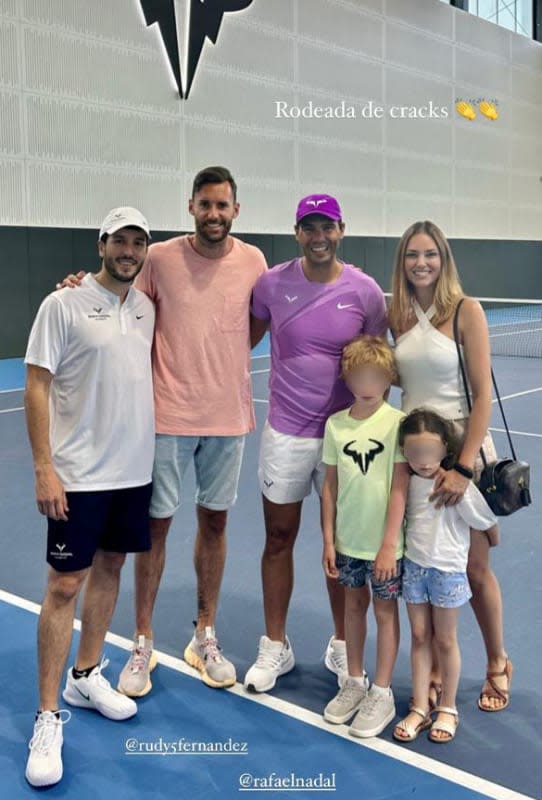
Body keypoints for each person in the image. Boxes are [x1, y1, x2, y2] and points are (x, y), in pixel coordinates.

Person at [59, 167, 267, 694]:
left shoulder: (253, 261)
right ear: (191, 207)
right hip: (167, 417)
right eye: (205, 204)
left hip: (228, 420)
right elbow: (119, 296)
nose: (214, 214)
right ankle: (143, 640)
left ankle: (204, 634)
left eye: (223, 205)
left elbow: (255, 325)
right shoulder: (161, 259)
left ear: (235, 210)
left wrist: (223, 360)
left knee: (215, 525)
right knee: (156, 530)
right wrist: (77, 289)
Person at [24, 208, 155, 787]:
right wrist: (44, 467)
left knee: (111, 568)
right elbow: (37, 383)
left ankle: (86, 673)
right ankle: (48, 715)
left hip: (133, 471)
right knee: (64, 586)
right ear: (101, 244)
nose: (129, 249)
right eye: (119, 240)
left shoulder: (147, 306)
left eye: (138, 241)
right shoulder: (63, 304)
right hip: (76, 475)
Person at [245, 195, 388, 693]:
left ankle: (343, 645)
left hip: (344, 440)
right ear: (297, 232)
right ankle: (275, 645)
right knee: (278, 538)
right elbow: (237, 337)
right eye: (309, 227)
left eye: (326, 226)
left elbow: (379, 364)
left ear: (341, 230)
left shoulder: (367, 293)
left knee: (345, 549)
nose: (318, 235)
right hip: (285, 432)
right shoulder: (270, 285)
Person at [389, 220, 512, 713]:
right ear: (403, 262)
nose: (422, 263)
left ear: (444, 259)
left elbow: (482, 395)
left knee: (474, 568)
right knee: (427, 561)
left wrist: (462, 468)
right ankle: (437, 667)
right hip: (417, 457)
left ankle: (498, 662)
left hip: (464, 454)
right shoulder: (395, 314)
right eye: (413, 255)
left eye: (431, 255)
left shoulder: (467, 311)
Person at [320, 336, 408, 738]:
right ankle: (355, 681)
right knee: (353, 609)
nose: (366, 381)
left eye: (375, 374)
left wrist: (389, 543)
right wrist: (327, 539)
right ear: (347, 377)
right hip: (347, 543)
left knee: (385, 613)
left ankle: (383, 692)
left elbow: (400, 489)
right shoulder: (335, 425)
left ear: (388, 378)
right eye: (358, 374)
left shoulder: (398, 423)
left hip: (385, 548)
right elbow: (330, 488)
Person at [393, 409, 498, 744]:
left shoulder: (455, 486)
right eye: (415, 454)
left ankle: (448, 708)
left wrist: (493, 535)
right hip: (414, 569)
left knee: (445, 640)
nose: (423, 461)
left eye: (430, 453)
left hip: (448, 572)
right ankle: (421, 706)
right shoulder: (407, 482)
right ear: (405, 452)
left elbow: (484, 520)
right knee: (420, 636)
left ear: (444, 450)